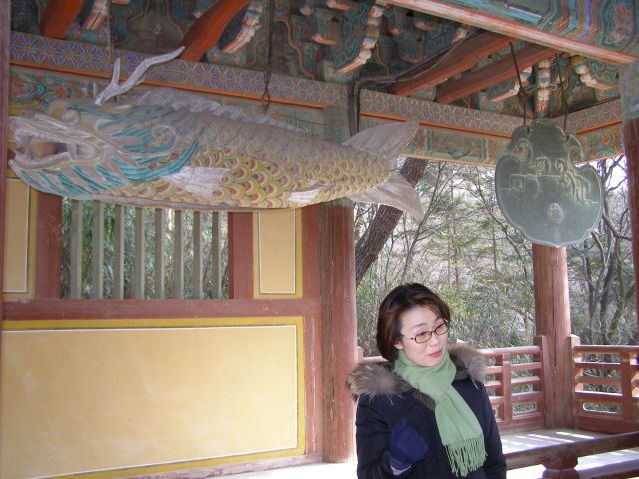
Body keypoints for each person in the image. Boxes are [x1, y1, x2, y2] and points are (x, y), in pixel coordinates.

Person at [348, 283, 506, 478]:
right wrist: (395, 463)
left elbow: (494, 462)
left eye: (439, 326)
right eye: (421, 334)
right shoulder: (379, 399)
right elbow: (368, 475)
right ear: (397, 341)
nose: (435, 341)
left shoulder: (467, 379)